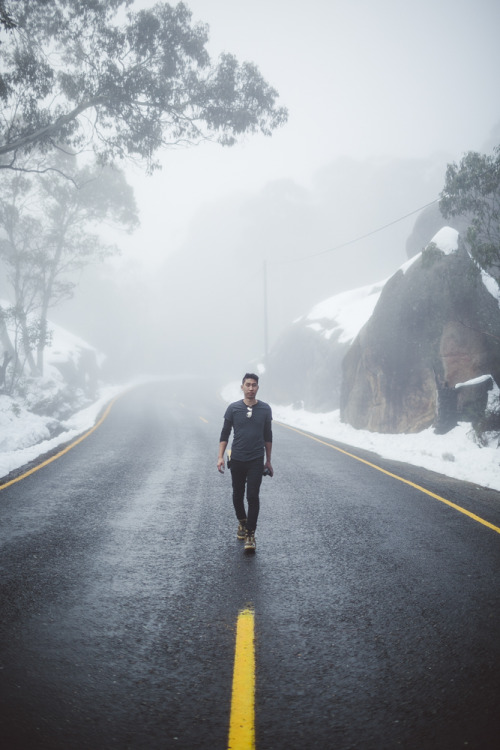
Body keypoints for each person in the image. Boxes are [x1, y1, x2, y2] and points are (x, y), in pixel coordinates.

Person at [217, 373, 273, 552]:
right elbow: (225, 434)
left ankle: (250, 533)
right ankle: (242, 520)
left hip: (256, 459)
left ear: (258, 387)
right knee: (237, 495)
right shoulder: (233, 409)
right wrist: (220, 456)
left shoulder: (265, 409)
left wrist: (268, 460)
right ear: (242, 387)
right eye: (247, 385)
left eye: (254, 385)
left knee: (253, 496)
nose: (251, 388)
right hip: (237, 459)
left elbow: (268, 435)